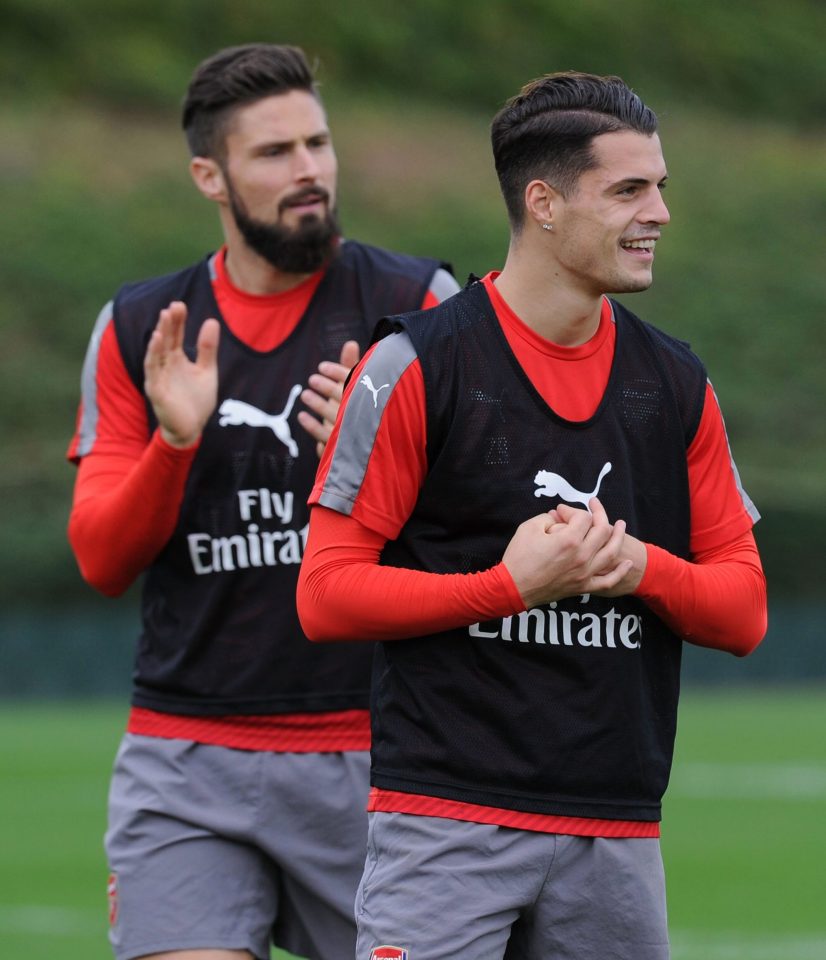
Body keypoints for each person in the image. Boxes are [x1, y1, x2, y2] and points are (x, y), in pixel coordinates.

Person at [297, 71, 767, 960]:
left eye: (661, 185)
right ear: (543, 203)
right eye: (629, 189)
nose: (659, 211)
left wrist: (640, 569)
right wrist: (505, 587)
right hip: (441, 824)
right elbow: (324, 594)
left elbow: (743, 611)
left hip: (616, 835)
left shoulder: (676, 385)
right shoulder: (413, 366)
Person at [66, 43, 458, 960]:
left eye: (318, 143)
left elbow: (488, 537)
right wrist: (174, 443)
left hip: (382, 759)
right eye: (274, 153)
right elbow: (100, 560)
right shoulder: (139, 329)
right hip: (188, 758)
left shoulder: (420, 305)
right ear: (210, 175)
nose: (310, 171)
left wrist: (365, 465)